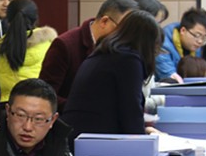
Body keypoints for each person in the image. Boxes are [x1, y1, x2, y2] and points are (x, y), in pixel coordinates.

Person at [62, 11, 162, 141]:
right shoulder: (128, 59)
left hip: (79, 136)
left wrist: (144, 130)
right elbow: (130, 109)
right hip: (96, 138)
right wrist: (142, 141)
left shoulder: (104, 52)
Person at [38, 0, 137, 112]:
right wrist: (85, 108)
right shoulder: (65, 45)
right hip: (69, 118)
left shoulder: (117, 48)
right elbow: (45, 95)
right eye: (122, 29)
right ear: (104, 21)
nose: (125, 36)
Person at [0, 0, 57, 102]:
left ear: (8, 19)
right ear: (36, 18)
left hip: (8, 107)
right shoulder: (50, 44)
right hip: (41, 105)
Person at [155, 7, 206, 82]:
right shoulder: (162, 44)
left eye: (204, 37)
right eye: (197, 35)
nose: (200, 41)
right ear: (183, 30)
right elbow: (171, 77)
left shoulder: (195, 47)